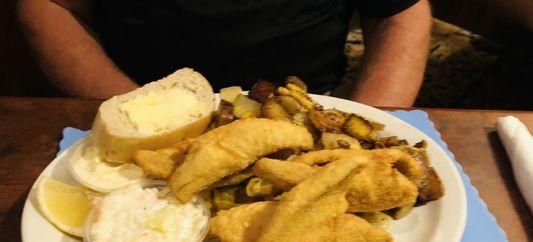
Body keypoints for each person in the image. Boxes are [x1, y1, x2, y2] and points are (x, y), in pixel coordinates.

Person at [17, 0, 431, 107]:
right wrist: (131, 108)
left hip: (311, 105)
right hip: (132, 102)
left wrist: (369, 121)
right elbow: (50, 6)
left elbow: (401, 14)